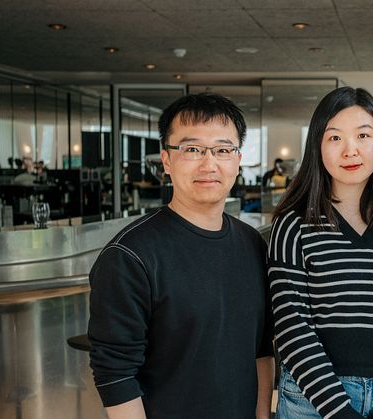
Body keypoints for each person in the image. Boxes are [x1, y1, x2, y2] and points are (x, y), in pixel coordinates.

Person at [88, 93, 274, 419]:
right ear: (166, 160)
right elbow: (115, 374)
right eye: (191, 149)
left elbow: (260, 350)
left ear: (237, 158)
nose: (209, 163)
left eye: (222, 149)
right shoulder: (130, 255)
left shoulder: (252, 244)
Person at [268, 87, 373, 419]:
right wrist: (339, 411)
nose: (350, 150)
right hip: (310, 401)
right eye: (335, 138)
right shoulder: (293, 225)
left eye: (363, 135)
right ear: (317, 145)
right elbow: (292, 325)